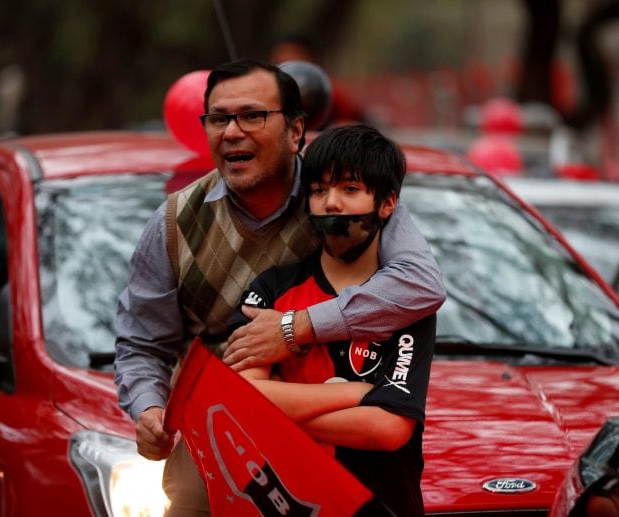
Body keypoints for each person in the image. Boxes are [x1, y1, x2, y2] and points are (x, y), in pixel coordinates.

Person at [113, 58, 446, 515]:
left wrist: (295, 327)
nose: (232, 132)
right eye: (218, 118)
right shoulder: (174, 222)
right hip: (219, 421)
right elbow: (141, 341)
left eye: (252, 115)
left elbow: (421, 285)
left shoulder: (342, 195)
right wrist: (149, 411)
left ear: (295, 133)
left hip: (340, 420)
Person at [228, 124, 436, 516]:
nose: (332, 203)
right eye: (319, 190)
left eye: (350, 190)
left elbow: (389, 429)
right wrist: (359, 393)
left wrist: (278, 411)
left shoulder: (404, 305)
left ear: (388, 203)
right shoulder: (271, 289)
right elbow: (243, 401)